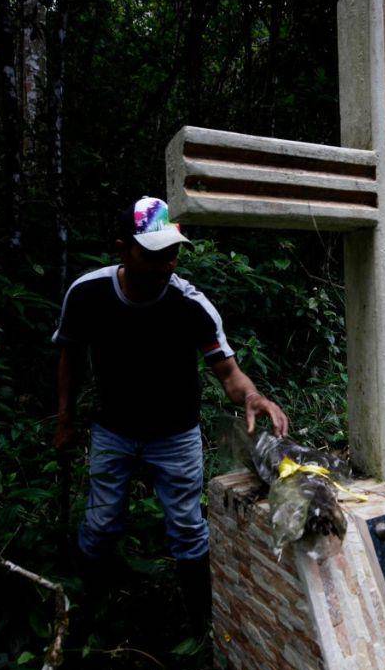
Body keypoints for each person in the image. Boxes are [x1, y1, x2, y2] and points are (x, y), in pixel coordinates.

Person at [52, 196, 288, 635]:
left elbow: (229, 373)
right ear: (123, 249)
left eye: (173, 251)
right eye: (154, 253)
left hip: (175, 433)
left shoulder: (191, 305)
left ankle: (201, 627)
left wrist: (253, 396)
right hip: (114, 429)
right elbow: (68, 352)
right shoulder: (88, 293)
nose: (167, 263)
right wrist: (65, 418)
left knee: (186, 527)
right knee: (101, 522)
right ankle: (86, 615)